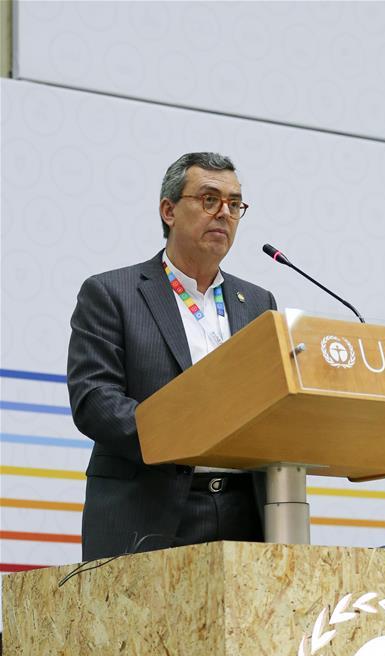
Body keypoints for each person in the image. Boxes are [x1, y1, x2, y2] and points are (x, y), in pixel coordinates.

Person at [68, 152, 277, 561]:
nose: (224, 214)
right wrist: (190, 434)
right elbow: (95, 400)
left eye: (234, 204)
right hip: (148, 508)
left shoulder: (257, 302)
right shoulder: (113, 293)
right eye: (208, 199)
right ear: (168, 210)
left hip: (244, 512)